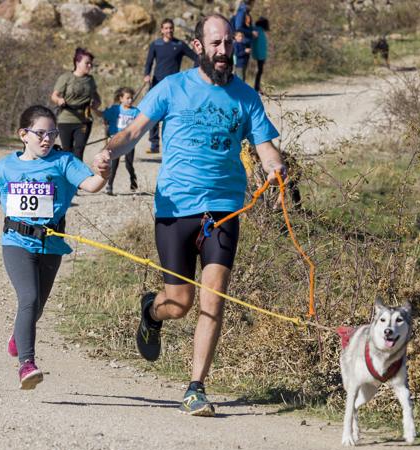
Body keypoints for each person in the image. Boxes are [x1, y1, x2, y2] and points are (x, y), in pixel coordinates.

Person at [93, 13, 287, 417]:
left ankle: (195, 387)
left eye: (228, 43)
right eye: (214, 44)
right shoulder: (172, 87)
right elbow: (132, 132)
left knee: (213, 299)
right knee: (180, 303)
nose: (223, 51)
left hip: (223, 210)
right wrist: (109, 150)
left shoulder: (246, 96)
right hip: (175, 208)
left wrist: (274, 165)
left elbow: (266, 145)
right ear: (197, 47)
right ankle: (151, 310)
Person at [0, 105, 108, 390]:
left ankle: (19, 335)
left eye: (51, 133)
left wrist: (104, 173)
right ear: (23, 135)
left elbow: (91, 184)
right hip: (16, 241)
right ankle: (27, 364)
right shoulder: (7, 164)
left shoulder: (63, 162)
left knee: (37, 306)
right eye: (40, 133)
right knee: (28, 297)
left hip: (50, 243)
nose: (47, 139)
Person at [143, 18, 198, 154]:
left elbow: (196, 58)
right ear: (162, 30)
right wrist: (147, 75)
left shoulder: (179, 45)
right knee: (154, 113)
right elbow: (149, 63)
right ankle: (154, 145)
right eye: (166, 28)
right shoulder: (155, 44)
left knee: (174, 114)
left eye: (171, 28)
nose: (169, 30)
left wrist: (192, 75)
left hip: (175, 86)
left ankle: (175, 143)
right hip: (157, 83)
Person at [51, 48, 101, 162]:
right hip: (66, 119)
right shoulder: (66, 77)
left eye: (91, 63)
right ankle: (65, 177)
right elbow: (54, 95)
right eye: (87, 63)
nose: (89, 66)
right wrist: (59, 100)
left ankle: (78, 178)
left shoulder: (90, 80)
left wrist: (97, 103)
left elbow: (96, 96)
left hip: (84, 120)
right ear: (77, 63)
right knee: (67, 151)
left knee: (79, 150)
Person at [102, 87, 140, 195]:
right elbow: (103, 115)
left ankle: (133, 180)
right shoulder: (115, 109)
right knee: (114, 164)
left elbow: (140, 125)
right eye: (127, 98)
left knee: (129, 164)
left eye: (131, 98)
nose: (130, 100)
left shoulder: (136, 112)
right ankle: (109, 186)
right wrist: (94, 109)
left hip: (129, 142)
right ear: (121, 98)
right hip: (116, 141)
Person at [251, 16, 269, 92]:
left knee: (260, 71)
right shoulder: (257, 31)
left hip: (260, 55)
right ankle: (256, 87)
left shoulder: (258, 30)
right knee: (259, 71)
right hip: (259, 55)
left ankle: (257, 87)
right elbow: (259, 45)